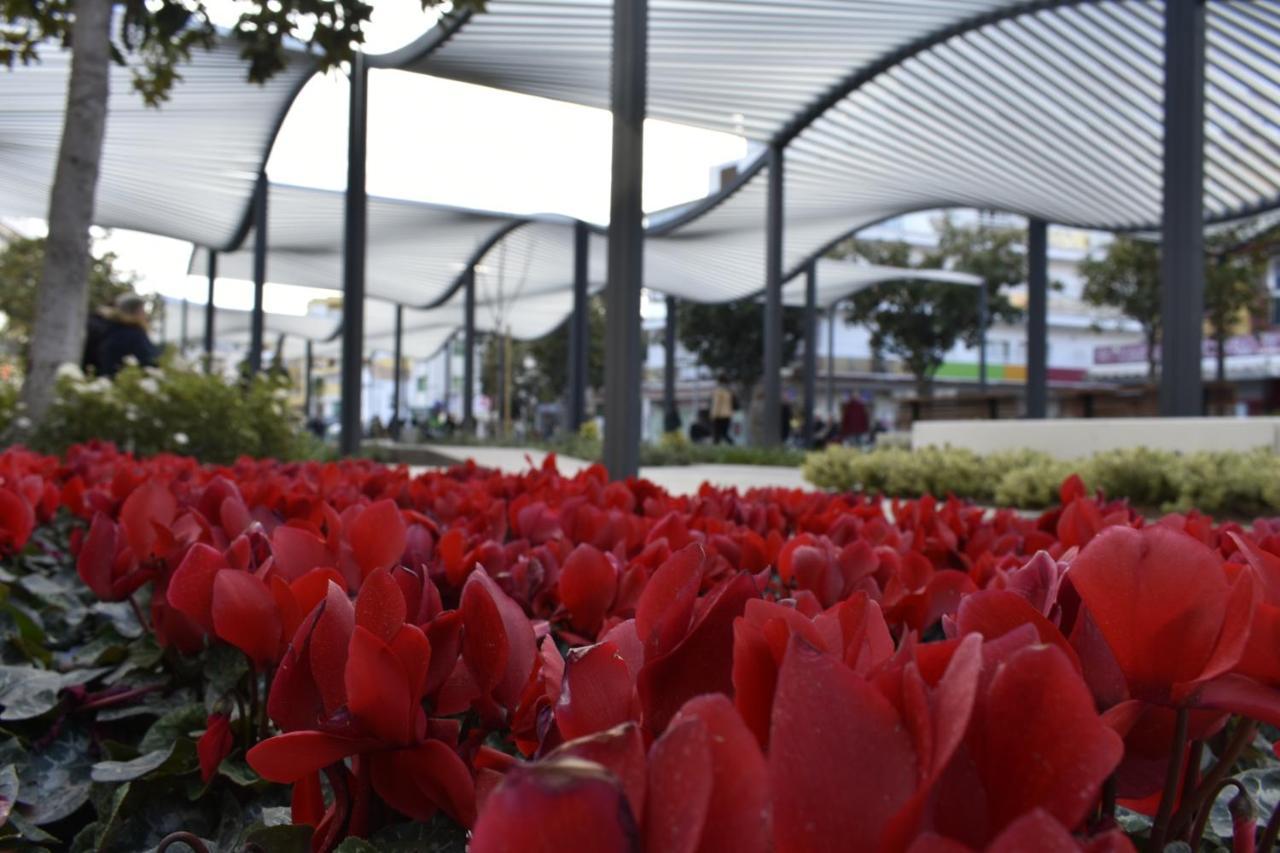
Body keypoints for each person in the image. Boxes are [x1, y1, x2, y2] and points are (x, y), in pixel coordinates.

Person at [83, 294, 159, 377]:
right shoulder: (135, 333)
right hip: (124, 383)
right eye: (143, 311)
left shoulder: (107, 327)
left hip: (100, 380)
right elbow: (150, 361)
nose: (145, 315)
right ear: (137, 311)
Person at [710, 376, 734, 445]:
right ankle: (732, 445)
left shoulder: (718, 391)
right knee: (725, 433)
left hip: (719, 415)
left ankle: (716, 449)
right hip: (728, 415)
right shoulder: (729, 391)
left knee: (716, 434)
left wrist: (713, 415)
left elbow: (716, 404)